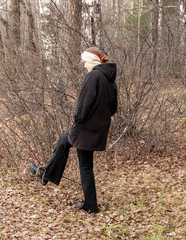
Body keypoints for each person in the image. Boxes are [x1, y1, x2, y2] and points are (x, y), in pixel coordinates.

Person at [29, 47, 118, 213]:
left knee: (82, 164)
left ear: (93, 60)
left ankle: (47, 175)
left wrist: (78, 119)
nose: (84, 66)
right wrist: (99, 119)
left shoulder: (93, 76)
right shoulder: (110, 80)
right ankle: (47, 175)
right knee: (67, 147)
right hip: (96, 129)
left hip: (85, 127)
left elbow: (83, 104)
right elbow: (113, 108)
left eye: (85, 62)